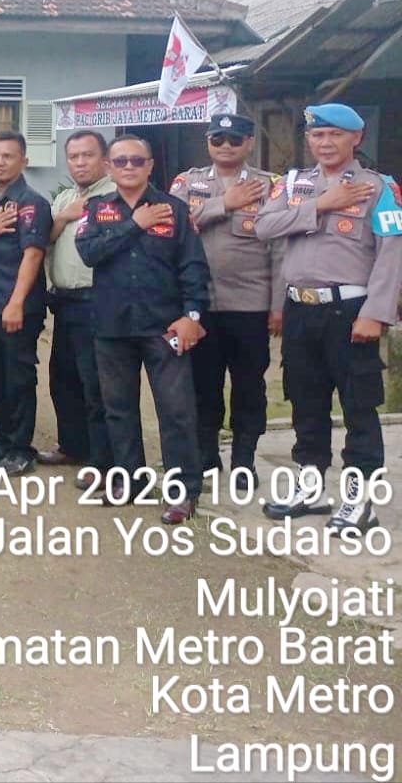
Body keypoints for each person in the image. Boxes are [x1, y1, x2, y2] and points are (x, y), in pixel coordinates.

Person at [255, 103, 401, 534]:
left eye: (335, 134)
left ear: (357, 138)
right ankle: (311, 487)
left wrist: (376, 313)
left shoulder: (379, 188)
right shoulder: (293, 185)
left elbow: (391, 255)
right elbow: (264, 227)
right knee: (306, 403)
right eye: (317, 135)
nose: (325, 143)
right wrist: (321, 204)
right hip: (301, 309)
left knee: (359, 407)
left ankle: (360, 500)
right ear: (308, 140)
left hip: (350, 312)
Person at [76, 134, 211, 525]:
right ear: (108, 167)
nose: (129, 167)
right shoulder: (97, 208)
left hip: (163, 326)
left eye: (137, 160)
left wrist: (192, 315)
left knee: (176, 411)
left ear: (151, 165)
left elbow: (193, 267)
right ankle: (130, 480)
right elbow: (88, 253)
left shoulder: (174, 209)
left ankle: (183, 491)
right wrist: (133, 225)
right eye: (121, 161)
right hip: (112, 325)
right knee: (118, 409)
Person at [170, 114, 281, 491]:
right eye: (217, 139)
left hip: (250, 305)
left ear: (249, 143)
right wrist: (223, 203)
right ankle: (206, 455)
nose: (226, 146)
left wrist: (277, 304)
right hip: (198, 305)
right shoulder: (188, 183)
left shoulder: (270, 186)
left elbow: (281, 249)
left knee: (249, 386)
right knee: (203, 384)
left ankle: (244, 460)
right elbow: (173, 227)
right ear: (208, 142)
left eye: (235, 139)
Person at [0, 130, 53, 474]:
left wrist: (17, 302)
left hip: (20, 304)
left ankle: (21, 448)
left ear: (23, 161)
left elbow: (33, 255)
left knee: (18, 376)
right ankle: (2, 440)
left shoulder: (32, 203)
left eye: (7, 156)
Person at [42, 130, 117, 483]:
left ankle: (102, 461)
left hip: (97, 301)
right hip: (64, 301)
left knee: (95, 384)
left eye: (88, 155)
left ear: (105, 160)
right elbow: (43, 239)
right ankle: (72, 446)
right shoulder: (65, 198)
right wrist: (63, 217)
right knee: (63, 378)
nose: (80, 163)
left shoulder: (114, 196)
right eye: (73, 157)